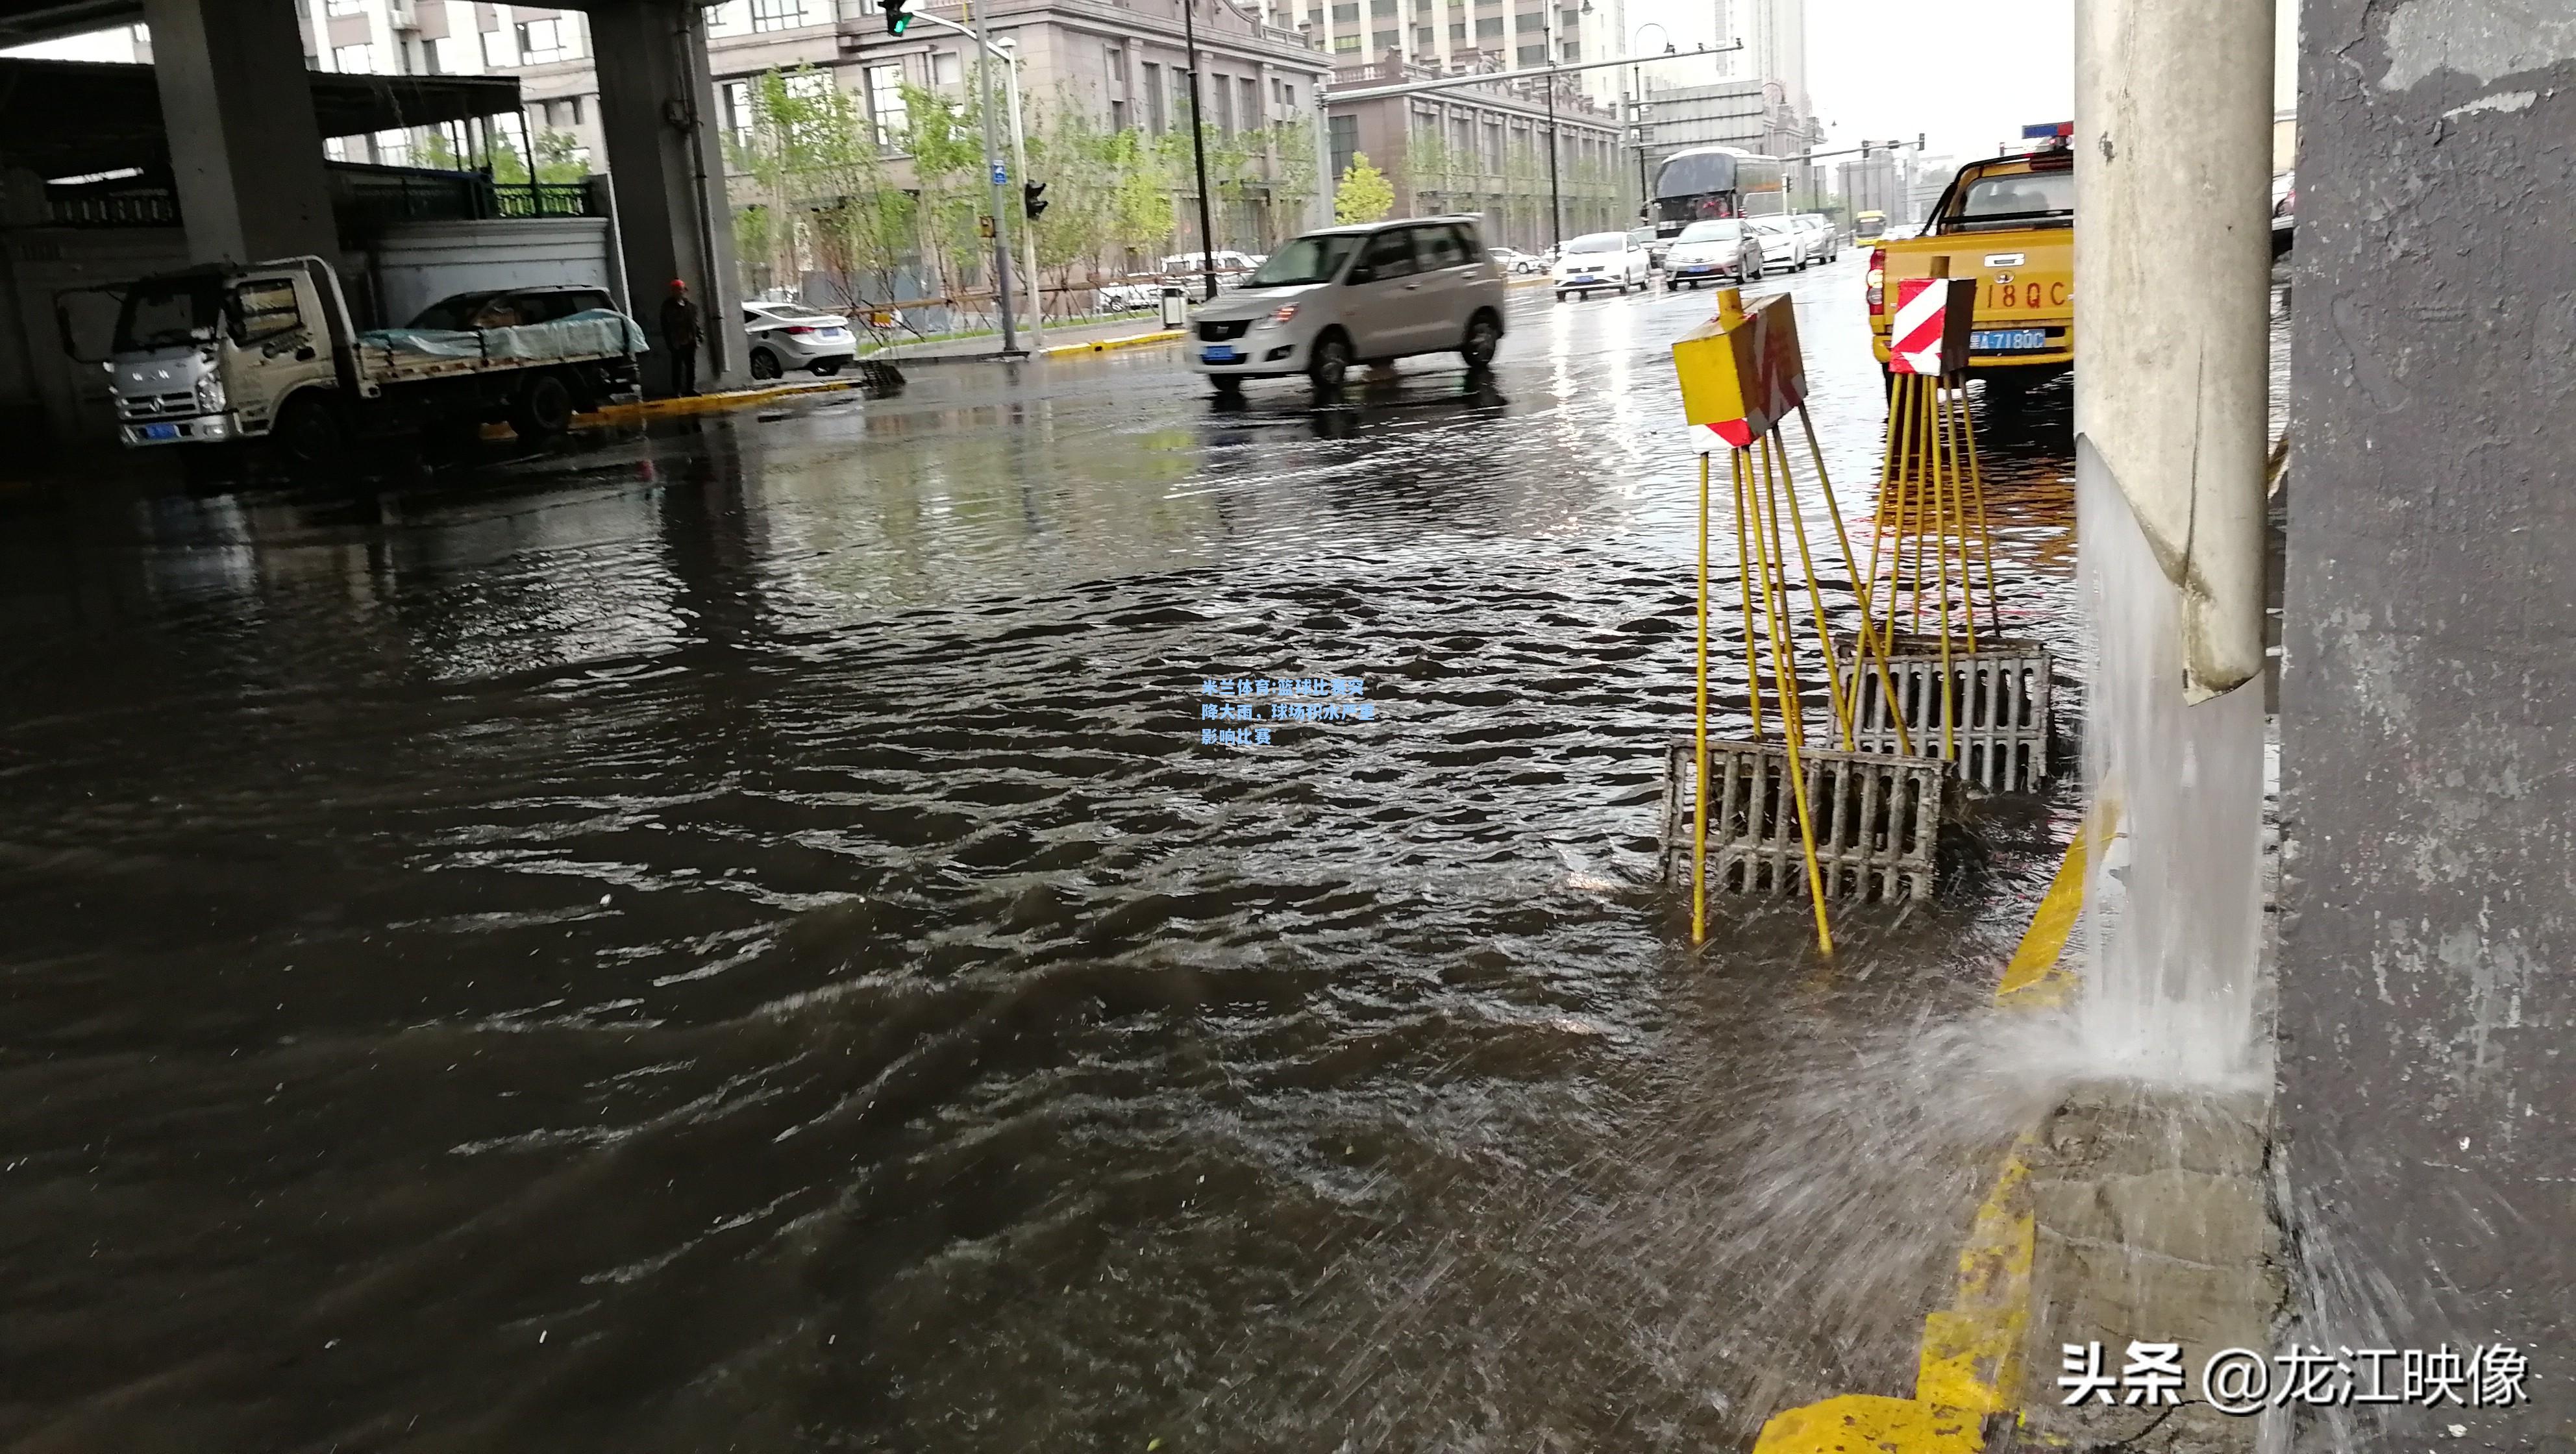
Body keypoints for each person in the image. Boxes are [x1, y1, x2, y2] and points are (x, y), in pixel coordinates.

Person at [658, 278, 702, 397]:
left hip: (690, 340)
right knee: (677, 366)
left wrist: (699, 336)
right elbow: (666, 326)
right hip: (677, 341)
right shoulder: (668, 307)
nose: (680, 292)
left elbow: (695, 324)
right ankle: (677, 390)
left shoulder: (691, 307)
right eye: (677, 290)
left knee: (691, 366)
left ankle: (690, 389)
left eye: (681, 290)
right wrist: (670, 341)